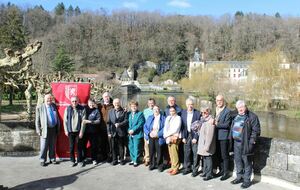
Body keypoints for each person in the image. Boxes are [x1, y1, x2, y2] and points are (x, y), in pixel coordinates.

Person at [230, 100, 260, 189]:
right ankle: (239, 177)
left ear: (245, 107)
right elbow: (229, 114)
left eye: (242, 107)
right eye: (238, 108)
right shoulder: (236, 115)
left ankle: (247, 180)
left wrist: (251, 142)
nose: (240, 109)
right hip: (236, 142)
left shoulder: (252, 116)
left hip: (246, 143)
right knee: (238, 161)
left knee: (247, 162)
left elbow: (256, 131)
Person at [35, 94, 60, 166]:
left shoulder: (54, 106)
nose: (49, 100)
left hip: (54, 128)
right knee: (44, 146)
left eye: (50, 98)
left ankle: (52, 158)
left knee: (52, 145)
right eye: (47, 98)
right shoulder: (40, 107)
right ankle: (42, 159)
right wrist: (38, 130)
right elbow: (37, 120)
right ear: (44, 99)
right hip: (44, 129)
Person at [213, 95, 232, 180]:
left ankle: (226, 173)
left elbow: (227, 125)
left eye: (220, 100)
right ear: (216, 101)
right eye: (217, 100)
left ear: (223, 101)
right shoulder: (215, 110)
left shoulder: (227, 111)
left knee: (224, 155)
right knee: (218, 155)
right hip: (216, 136)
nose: (219, 102)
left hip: (224, 136)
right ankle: (221, 170)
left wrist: (217, 124)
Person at [63, 96, 86, 167]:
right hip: (70, 131)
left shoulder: (82, 109)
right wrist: (66, 130)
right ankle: (72, 161)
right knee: (71, 147)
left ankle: (79, 161)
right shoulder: (68, 109)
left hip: (79, 131)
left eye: (76, 101)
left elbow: (83, 121)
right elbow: (65, 121)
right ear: (71, 102)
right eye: (73, 101)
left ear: (78, 101)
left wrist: (82, 132)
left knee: (79, 147)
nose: (74, 102)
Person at [181, 98, 201, 177]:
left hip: (194, 136)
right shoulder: (183, 113)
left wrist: (196, 137)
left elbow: (200, 126)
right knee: (186, 153)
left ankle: (195, 169)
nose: (190, 106)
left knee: (195, 153)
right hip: (186, 135)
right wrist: (183, 137)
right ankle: (187, 168)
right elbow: (182, 126)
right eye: (189, 104)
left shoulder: (197, 113)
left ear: (193, 105)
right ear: (186, 105)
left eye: (191, 104)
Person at [144, 105, 166, 172]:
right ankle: (152, 164)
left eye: (157, 109)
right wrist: (149, 133)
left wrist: (158, 134)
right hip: (151, 136)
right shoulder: (150, 117)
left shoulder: (163, 118)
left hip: (159, 137)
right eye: (154, 109)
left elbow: (165, 127)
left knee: (159, 151)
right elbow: (145, 126)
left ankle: (159, 165)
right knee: (151, 151)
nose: (156, 110)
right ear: (153, 110)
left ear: (159, 110)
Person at [107, 98, 128, 165]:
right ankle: (114, 160)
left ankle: (122, 160)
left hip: (121, 131)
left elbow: (126, 120)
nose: (116, 104)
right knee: (113, 147)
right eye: (115, 103)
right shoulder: (110, 111)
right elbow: (108, 123)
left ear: (120, 103)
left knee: (121, 146)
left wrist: (120, 124)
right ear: (113, 104)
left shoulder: (124, 111)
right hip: (113, 132)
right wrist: (109, 132)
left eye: (118, 103)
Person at [197, 107, 216, 181]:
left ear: (209, 112)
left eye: (205, 112)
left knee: (208, 159)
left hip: (208, 144)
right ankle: (205, 172)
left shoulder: (210, 121)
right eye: (202, 112)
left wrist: (207, 146)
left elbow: (210, 135)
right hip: (203, 143)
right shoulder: (203, 120)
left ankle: (209, 174)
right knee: (204, 159)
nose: (203, 114)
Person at [82, 99, 101, 165]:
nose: (91, 104)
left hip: (93, 132)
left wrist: (90, 122)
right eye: (90, 103)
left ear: (94, 103)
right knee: (83, 145)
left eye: (92, 103)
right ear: (87, 103)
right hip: (85, 131)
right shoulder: (84, 109)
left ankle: (94, 159)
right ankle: (84, 158)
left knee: (94, 146)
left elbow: (98, 121)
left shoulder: (96, 110)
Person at [163, 106, 182, 175]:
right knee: (170, 153)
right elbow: (165, 127)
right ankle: (172, 167)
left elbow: (176, 129)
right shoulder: (168, 118)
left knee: (174, 153)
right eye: (170, 111)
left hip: (175, 137)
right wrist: (165, 135)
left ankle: (176, 168)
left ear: (175, 111)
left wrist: (167, 135)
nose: (172, 112)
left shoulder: (178, 118)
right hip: (168, 137)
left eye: (173, 111)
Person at [127, 100, 145, 167]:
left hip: (137, 134)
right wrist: (129, 130)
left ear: (137, 106)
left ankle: (135, 160)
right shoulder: (129, 114)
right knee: (131, 147)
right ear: (130, 107)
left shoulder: (140, 114)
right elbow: (128, 124)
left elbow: (141, 124)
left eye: (135, 106)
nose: (133, 107)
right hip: (130, 134)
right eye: (132, 106)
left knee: (136, 147)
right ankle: (132, 159)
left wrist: (133, 130)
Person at [97, 92, 114, 162]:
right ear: (103, 98)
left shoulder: (113, 105)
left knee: (110, 143)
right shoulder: (99, 106)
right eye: (105, 97)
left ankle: (110, 157)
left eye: (107, 96)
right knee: (102, 143)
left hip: (110, 127)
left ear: (109, 97)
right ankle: (103, 156)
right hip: (101, 127)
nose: (106, 98)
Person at [142, 98, 156, 166]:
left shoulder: (158, 110)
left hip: (155, 131)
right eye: (150, 103)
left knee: (155, 146)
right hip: (147, 131)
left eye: (152, 103)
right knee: (146, 146)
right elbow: (143, 122)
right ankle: (147, 159)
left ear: (154, 103)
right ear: (148, 104)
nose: (151, 104)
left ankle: (154, 158)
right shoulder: (145, 111)